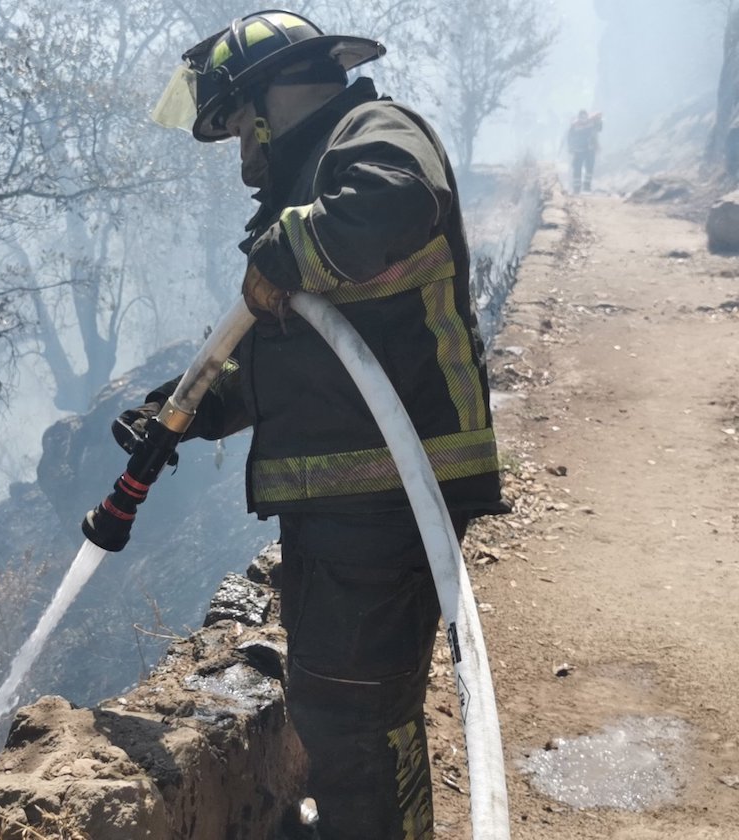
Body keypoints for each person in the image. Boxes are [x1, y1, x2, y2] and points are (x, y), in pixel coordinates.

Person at [124, 10, 506, 839]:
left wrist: (287, 247)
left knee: (358, 718)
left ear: (266, 102)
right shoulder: (311, 186)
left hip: (387, 493)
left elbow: (396, 202)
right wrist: (188, 409)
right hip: (355, 502)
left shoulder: (373, 134)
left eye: (236, 130)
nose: (241, 154)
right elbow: (291, 356)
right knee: (348, 707)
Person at [567, 109, 603, 193]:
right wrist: (570, 147)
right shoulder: (575, 125)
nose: (583, 118)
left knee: (589, 168)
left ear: (587, 116)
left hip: (590, 150)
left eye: (584, 116)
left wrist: (599, 121)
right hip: (578, 150)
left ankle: (587, 186)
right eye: (581, 116)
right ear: (579, 117)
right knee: (577, 169)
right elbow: (569, 137)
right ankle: (576, 187)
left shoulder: (591, 123)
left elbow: (599, 129)